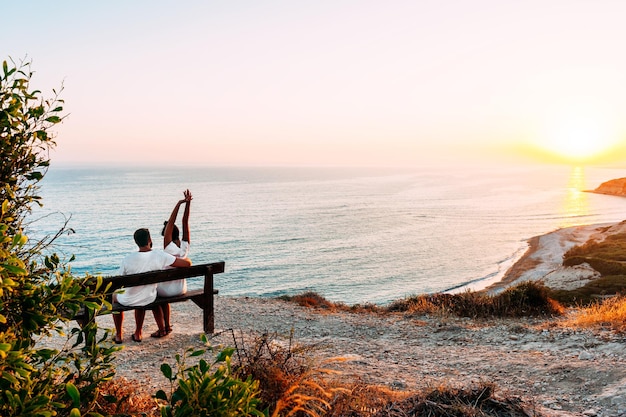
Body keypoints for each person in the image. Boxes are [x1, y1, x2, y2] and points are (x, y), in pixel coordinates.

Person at [112, 227, 191, 343]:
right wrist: (186, 257)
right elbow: (186, 264)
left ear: (136, 242)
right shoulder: (160, 255)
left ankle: (119, 334)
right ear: (149, 239)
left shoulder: (127, 259)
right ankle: (138, 333)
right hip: (149, 297)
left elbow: (119, 281)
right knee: (143, 294)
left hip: (130, 299)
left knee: (115, 297)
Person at [151, 189, 192, 337]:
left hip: (167, 290)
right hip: (181, 289)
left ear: (167, 234)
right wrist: (188, 204)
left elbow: (172, 221)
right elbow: (185, 221)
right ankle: (167, 327)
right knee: (162, 293)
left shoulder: (167, 246)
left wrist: (179, 203)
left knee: (156, 294)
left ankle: (163, 329)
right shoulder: (185, 247)